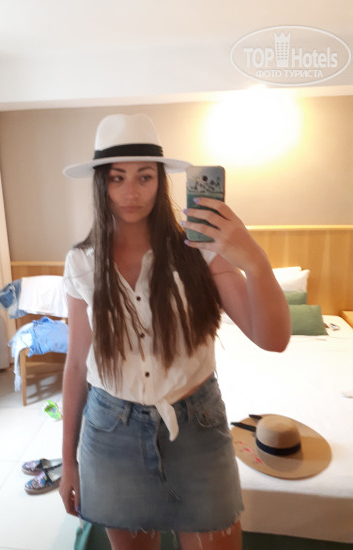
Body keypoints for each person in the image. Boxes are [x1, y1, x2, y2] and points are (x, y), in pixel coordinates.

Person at [59, 113, 291, 550]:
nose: (131, 192)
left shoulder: (200, 250)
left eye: (144, 177)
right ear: (102, 184)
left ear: (160, 181)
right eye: (117, 178)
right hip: (110, 434)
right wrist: (68, 461)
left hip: (197, 430)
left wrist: (252, 258)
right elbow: (76, 364)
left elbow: (273, 339)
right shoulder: (81, 262)